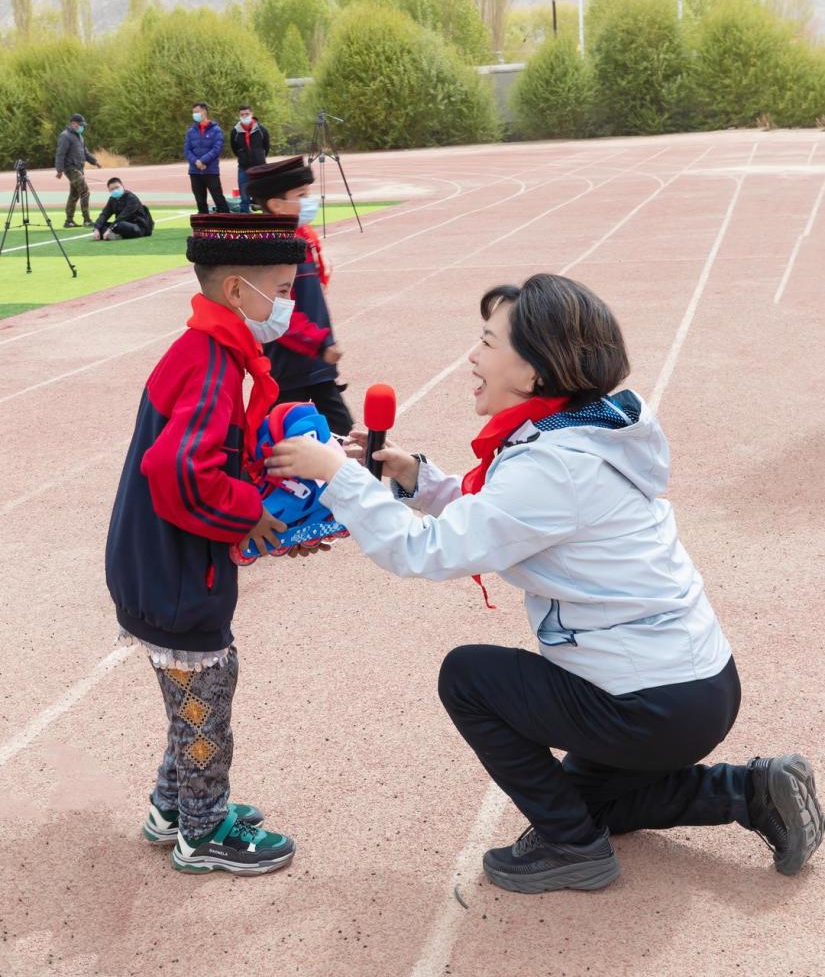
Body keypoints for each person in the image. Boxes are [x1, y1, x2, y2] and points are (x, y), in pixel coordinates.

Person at [265, 272, 824, 894]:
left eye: (486, 342)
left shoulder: (553, 466)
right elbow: (506, 514)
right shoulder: (576, 431)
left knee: (469, 677)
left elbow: (427, 551)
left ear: (533, 374)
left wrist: (341, 479)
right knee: (585, 800)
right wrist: (416, 479)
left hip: (650, 701)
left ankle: (572, 849)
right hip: (688, 686)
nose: (472, 357)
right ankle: (750, 791)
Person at [105, 212, 315, 875]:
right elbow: (179, 469)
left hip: (161, 564)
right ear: (235, 292)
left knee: (193, 692)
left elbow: (209, 457)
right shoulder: (210, 364)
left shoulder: (210, 349)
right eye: (280, 291)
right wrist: (249, 514)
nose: (288, 305)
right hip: (173, 573)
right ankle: (202, 831)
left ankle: (173, 807)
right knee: (206, 694)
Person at [245, 156, 353, 437]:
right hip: (291, 362)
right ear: (276, 204)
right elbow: (276, 311)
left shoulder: (301, 238)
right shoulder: (275, 250)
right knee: (277, 434)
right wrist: (320, 344)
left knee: (335, 428)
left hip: (314, 362)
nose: (310, 201)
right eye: (301, 195)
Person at [55, 113, 100, 229]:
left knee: (74, 194)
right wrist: (59, 170)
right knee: (85, 191)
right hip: (71, 168)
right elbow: (60, 154)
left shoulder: (80, 137)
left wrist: (95, 162)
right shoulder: (65, 136)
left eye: (82, 125)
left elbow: (85, 152)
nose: (82, 127)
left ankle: (69, 221)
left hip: (79, 168)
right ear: (73, 124)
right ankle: (87, 220)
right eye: (80, 124)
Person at [184, 102, 230, 215]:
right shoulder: (191, 131)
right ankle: (203, 228)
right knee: (200, 201)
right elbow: (187, 150)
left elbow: (217, 148)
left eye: (197, 112)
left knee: (218, 198)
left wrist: (203, 160)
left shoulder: (216, 130)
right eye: (193, 112)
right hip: (195, 172)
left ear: (204, 112)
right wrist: (196, 161)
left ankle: (227, 224)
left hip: (211, 170)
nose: (195, 115)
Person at [230, 105, 270, 214]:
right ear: (239, 115)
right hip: (243, 168)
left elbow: (266, 147)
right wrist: (243, 157)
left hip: (260, 167)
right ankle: (245, 220)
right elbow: (235, 148)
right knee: (244, 197)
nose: (244, 116)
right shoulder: (235, 132)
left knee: (262, 194)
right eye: (242, 114)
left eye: (246, 114)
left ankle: (266, 219)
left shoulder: (262, 130)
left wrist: (259, 157)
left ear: (251, 114)